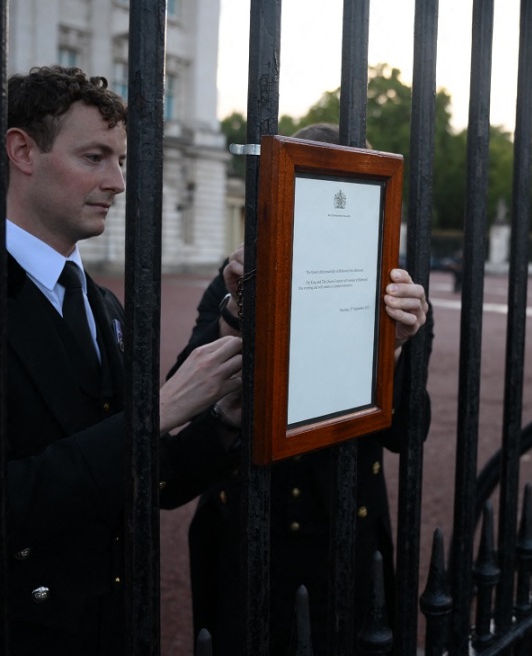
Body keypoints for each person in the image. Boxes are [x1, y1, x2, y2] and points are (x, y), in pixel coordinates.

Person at [0, 66, 245, 654]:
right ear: (22, 151)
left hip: (112, 626)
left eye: (120, 161)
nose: (118, 182)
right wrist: (154, 414)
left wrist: (224, 420)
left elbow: (151, 480)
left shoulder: (103, 303)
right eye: (95, 157)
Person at [174, 123, 432, 655]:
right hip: (245, 530)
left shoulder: (395, 290)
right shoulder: (234, 281)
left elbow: (409, 434)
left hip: (347, 532)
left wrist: (399, 347)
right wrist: (237, 307)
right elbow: (183, 407)